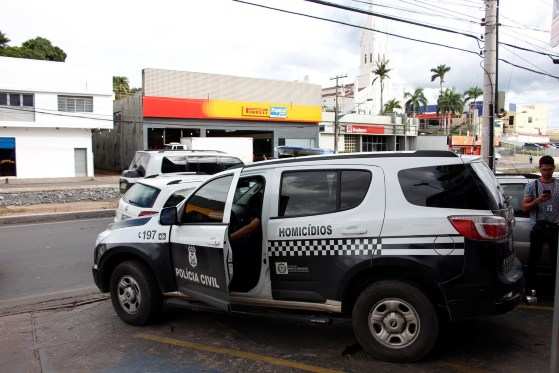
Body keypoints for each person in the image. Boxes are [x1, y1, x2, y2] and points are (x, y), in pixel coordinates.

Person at [522, 155, 559, 292]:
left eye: (549, 170)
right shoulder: (533, 185)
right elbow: (525, 207)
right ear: (540, 169)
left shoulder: (558, 185)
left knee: (555, 261)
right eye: (544, 170)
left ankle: (554, 290)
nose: (547, 172)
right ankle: (531, 289)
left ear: (554, 168)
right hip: (538, 227)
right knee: (533, 260)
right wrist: (538, 200)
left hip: (555, 227)